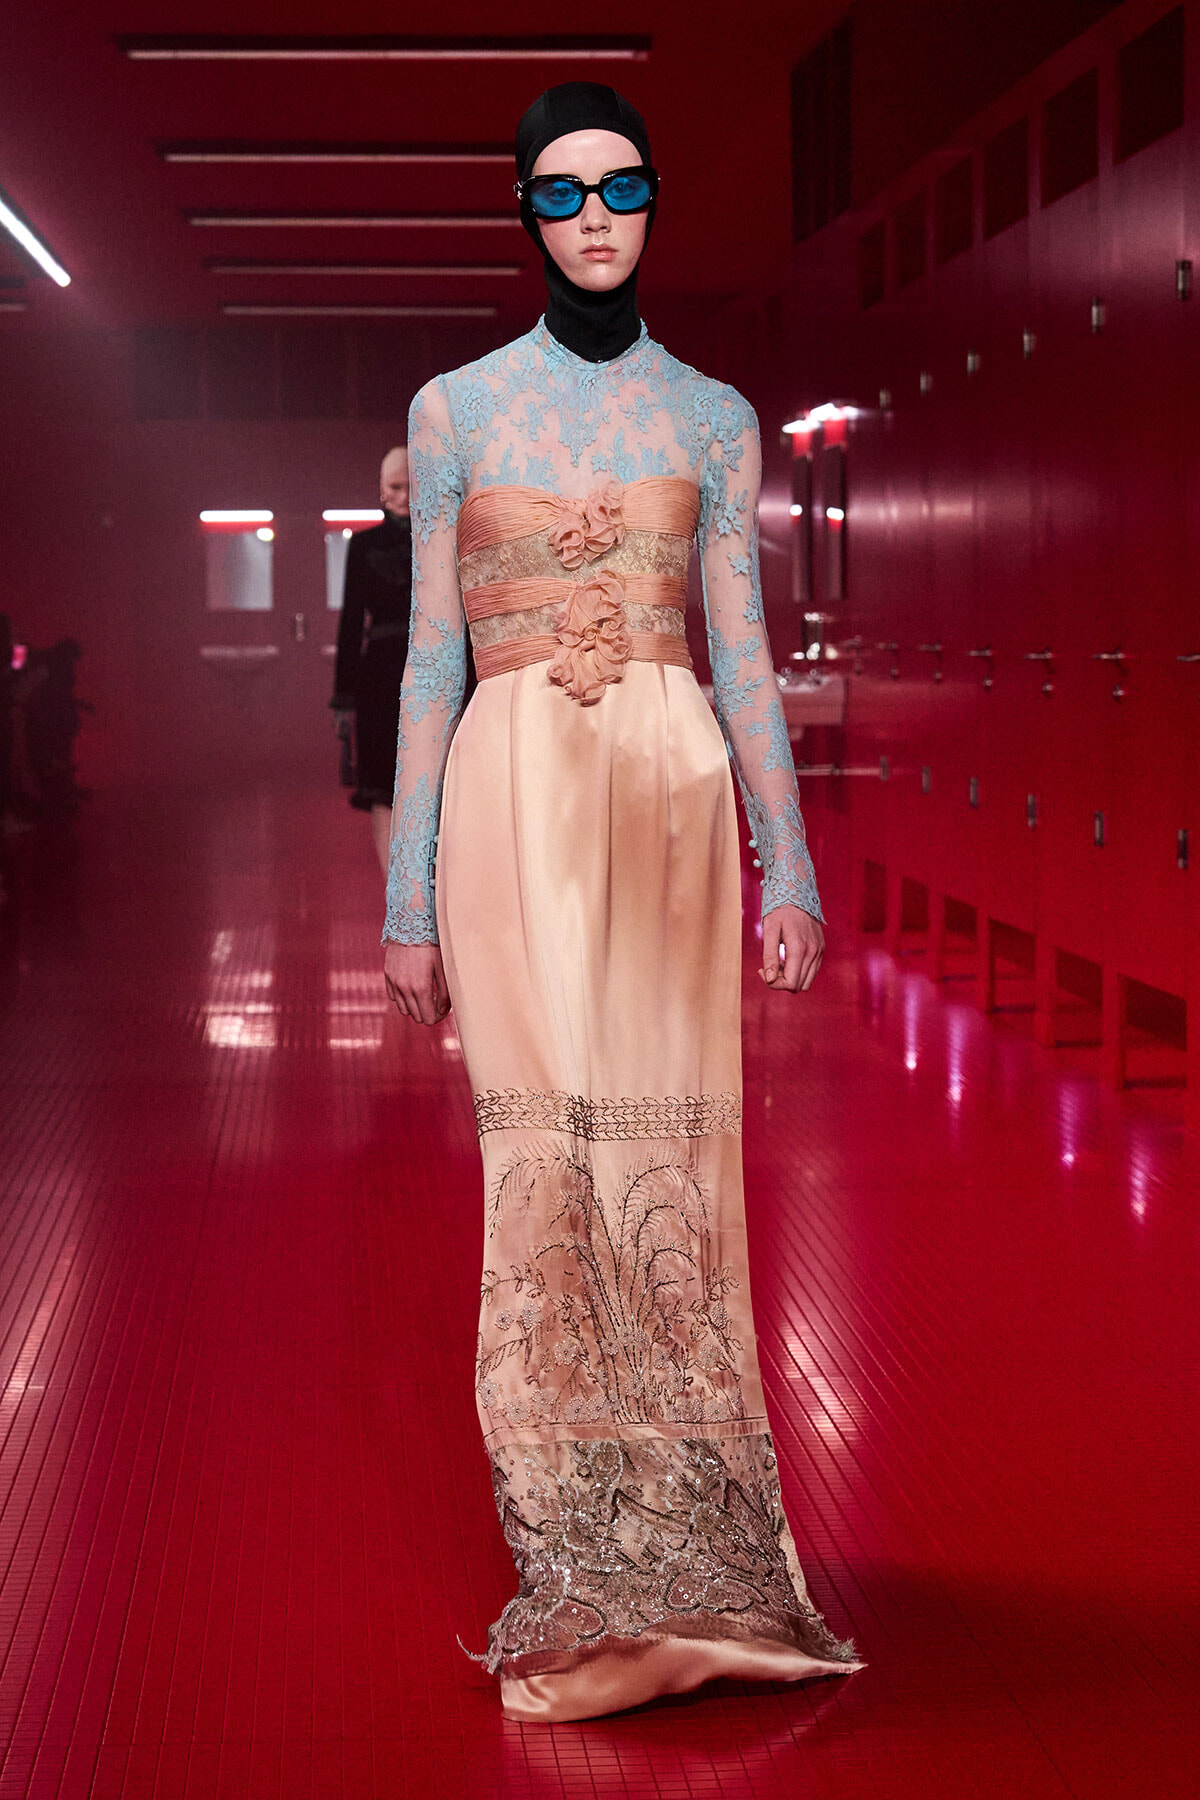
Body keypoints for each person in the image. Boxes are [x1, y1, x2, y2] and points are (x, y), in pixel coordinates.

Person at [382, 82, 862, 1722]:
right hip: (506, 801)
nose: (592, 215)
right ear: (524, 213)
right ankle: (579, 1571)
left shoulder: (717, 419)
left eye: (621, 184)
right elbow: (430, 666)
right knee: (544, 1157)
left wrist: (785, 856)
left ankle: (694, 1566)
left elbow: (741, 656)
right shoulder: (453, 410)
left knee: (672, 1150)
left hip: (664, 792)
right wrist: (403, 900)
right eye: (559, 192)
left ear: (654, 204)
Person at [330, 448, 415, 872]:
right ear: (381, 490)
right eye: (395, 487)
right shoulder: (363, 546)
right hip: (379, 675)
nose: (402, 496)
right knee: (381, 785)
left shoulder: (443, 542)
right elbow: (349, 622)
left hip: (430, 668)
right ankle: (394, 892)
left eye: (409, 486)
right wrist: (343, 699)